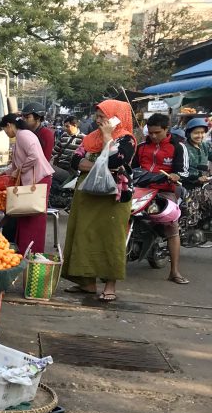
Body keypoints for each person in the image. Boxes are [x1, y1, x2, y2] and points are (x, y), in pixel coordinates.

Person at [63, 100, 137, 302]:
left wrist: (106, 138)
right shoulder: (89, 138)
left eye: (103, 116)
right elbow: (75, 161)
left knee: (111, 238)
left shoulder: (127, 139)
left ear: (117, 117)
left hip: (114, 197)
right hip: (86, 194)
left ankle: (110, 285)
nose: (98, 120)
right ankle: (86, 282)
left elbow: (114, 162)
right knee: (84, 235)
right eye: (97, 116)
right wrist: (99, 164)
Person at [132, 113, 188, 284]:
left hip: (165, 191)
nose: (153, 136)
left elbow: (184, 171)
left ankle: (174, 271)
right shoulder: (141, 147)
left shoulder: (178, 147)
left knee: (172, 226)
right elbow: (133, 168)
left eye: (157, 132)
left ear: (166, 129)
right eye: (150, 132)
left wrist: (175, 176)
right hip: (141, 189)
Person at [0, 114, 55, 254]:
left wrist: (20, 170)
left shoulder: (23, 135)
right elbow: (16, 164)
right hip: (33, 181)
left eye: (5, 130)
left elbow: (34, 156)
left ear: (9, 125)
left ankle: (32, 253)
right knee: (25, 216)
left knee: (33, 218)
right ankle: (24, 251)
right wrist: (2, 173)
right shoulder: (21, 136)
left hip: (38, 180)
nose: (6, 133)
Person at [180, 117, 212, 246]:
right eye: (196, 133)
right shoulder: (184, 148)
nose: (200, 135)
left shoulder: (205, 145)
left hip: (205, 185)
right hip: (188, 186)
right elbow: (183, 168)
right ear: (189, 133)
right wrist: (196, 177)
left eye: (202, 132)